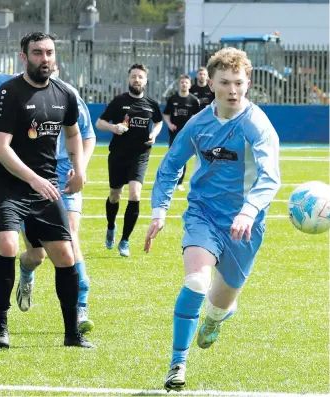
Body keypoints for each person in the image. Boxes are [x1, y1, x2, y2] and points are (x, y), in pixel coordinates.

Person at [0, 6, 95, 350]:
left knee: (63, 254)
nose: (45, 58)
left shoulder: (66, 93)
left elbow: (78, 133)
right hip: (9, 184)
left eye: (50, 53)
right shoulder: (3, 89)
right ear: (23, 56)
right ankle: (1, 325)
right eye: (38, 52)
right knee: (8, 246)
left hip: (51, 183)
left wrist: (79, 169)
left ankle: (73, 331)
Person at [144, 47, 281, 391]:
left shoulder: (256, 125)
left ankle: (216, 318)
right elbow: (171, 165)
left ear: (247, 82)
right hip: (202, 214)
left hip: (245, 226)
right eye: (225, 82)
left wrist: (249, 211)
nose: (233, 90)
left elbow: (269, 176)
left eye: (239, 82)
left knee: (220, 303)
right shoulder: (199, 123)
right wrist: (159, 211)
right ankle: (178, 363)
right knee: (195, 283)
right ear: (213, 84)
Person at [96, 64, 163, 257]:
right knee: (115, 195)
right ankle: (110, 226)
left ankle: (124, 241)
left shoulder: (151, 104)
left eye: (140, 77)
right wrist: (113, 128)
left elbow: (158, 121)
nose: (136, 80)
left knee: (135, 194)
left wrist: (154, 133)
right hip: (118, 154)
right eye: (133, 76)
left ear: (145, 80)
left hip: (140, 154)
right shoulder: (119, 102)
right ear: (128, 79)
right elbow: (100, 122)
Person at [162, 75, 201, 192]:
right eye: (182, 82)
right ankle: (170, 181)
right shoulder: (172, 99)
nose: (184, 84)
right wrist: (169, 124)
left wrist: (190, 126)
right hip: (174, 134)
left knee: (184, 158)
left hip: (188, 135)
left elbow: (197, 116)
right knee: (173, 157)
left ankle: (179, 183)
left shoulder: (194, 100)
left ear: (189, 85)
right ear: (179, 84)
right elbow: (166, 114)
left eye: (186, 82)